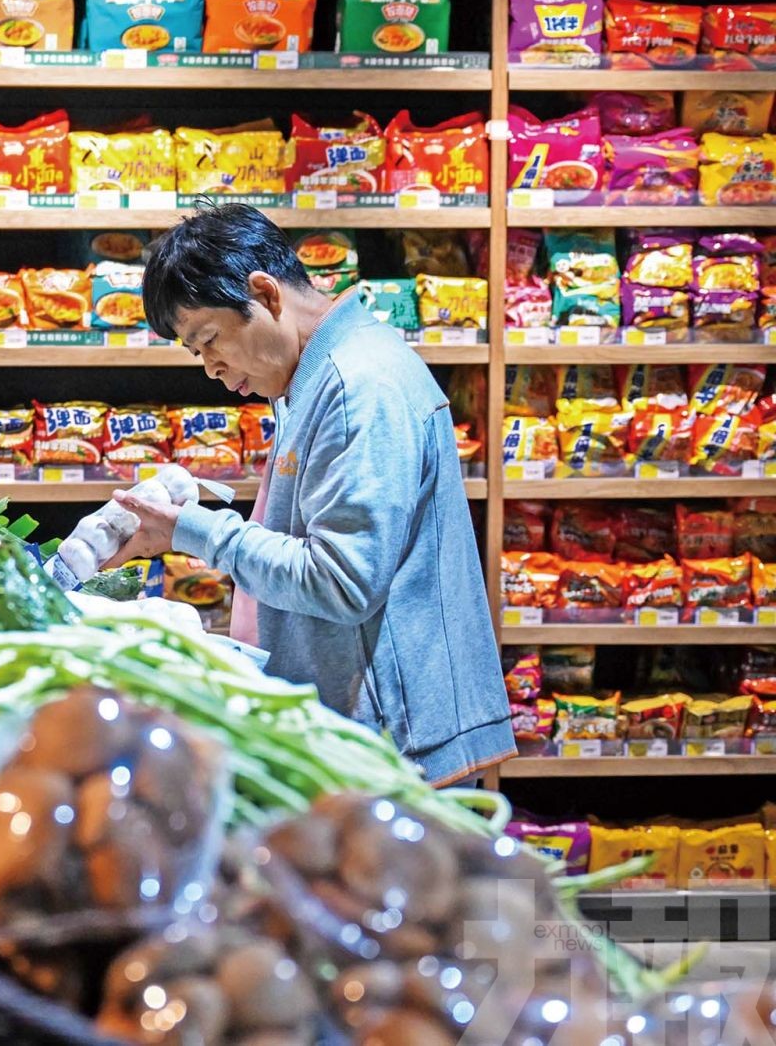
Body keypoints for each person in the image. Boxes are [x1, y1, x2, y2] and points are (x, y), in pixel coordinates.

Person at [107, 205, 514, 786]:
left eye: (210, 340)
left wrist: (191, 529)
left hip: (397, 750)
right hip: (371, 738)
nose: (211, 369)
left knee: (458, 882)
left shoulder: (357, 386)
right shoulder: (314, 377)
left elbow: (341, 581)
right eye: (196, 353)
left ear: (266, 294)